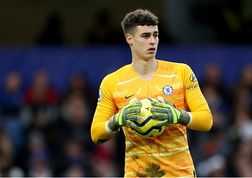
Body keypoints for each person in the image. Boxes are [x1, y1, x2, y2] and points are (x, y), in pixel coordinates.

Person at [90, 9, 213, 177]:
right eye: (146, 36)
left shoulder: (180, 72)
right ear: (130, 39)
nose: (152, 41)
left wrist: (177, 116)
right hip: (137, 174)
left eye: (155, 35)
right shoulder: (112, 82)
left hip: (179, 174)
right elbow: (96, 134)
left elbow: (206, 120)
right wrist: (117, 120)